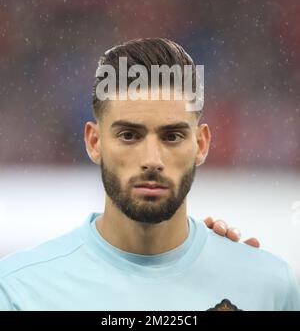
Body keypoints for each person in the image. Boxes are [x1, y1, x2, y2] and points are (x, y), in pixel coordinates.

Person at [0, 37, 299, 311]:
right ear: (94, 142)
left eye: (172, 137)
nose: (152, 160)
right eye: (129, 135)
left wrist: (246, 275)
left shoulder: (270, 289)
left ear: (201, 144)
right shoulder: (18, 292)